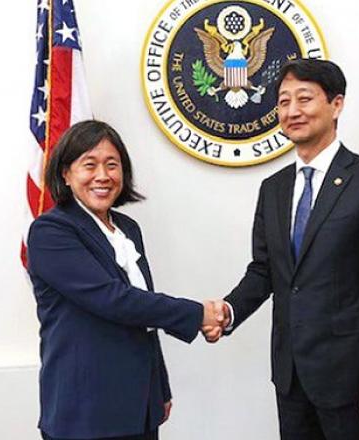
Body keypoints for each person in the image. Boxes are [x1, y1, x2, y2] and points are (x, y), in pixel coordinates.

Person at [204, 59, 359, 440]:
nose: (292, 111)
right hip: (291, 376)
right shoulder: (274, 188)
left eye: (304, 98)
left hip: (352, 379)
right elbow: (264, 270)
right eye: (284, 102)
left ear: (336, 104)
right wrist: (229, 311)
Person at [27, 120, 223, 440]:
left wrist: (160, 387)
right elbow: (113, 299)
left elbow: (143, 312)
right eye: (89, 164)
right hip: (86, 411)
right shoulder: (51, 231)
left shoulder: (128, 229)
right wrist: (198, 314)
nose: (103, 175)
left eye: (112, 164)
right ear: (65, 174)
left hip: (139, 404)